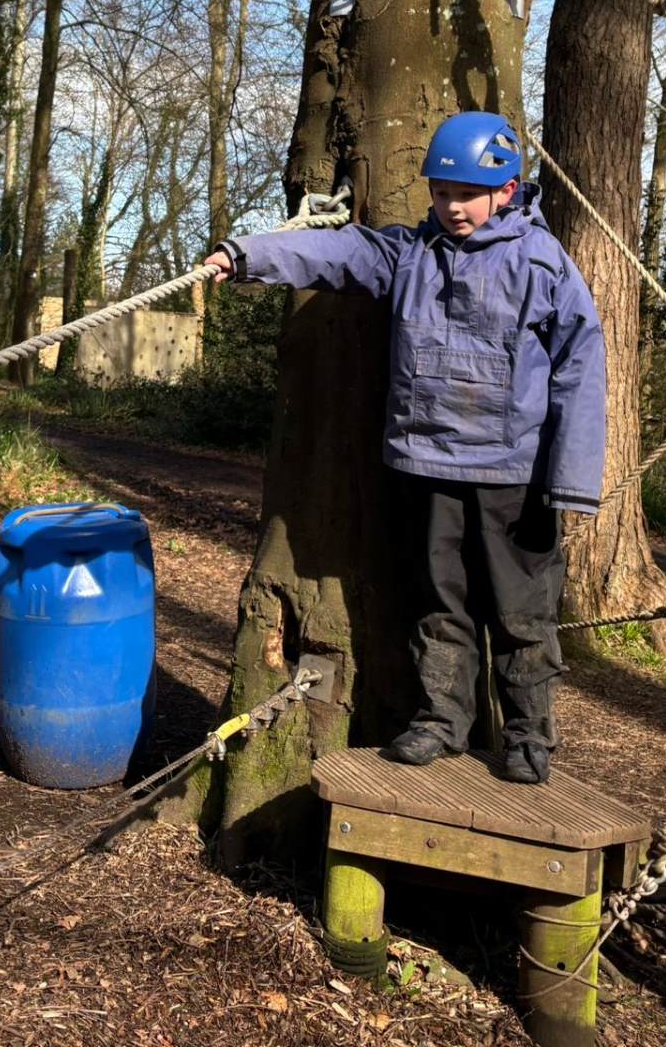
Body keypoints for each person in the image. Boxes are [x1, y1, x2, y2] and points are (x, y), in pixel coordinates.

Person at [205, 112, 606, 785]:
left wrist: (571, 481)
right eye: (441, 193)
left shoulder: (542, 265)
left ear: (507, 191)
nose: (452, 207)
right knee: (440, 603)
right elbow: (335, 252)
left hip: (514, 477)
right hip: (429, 468)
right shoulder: (411, 255)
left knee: (521, 612)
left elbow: (581, 371)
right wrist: (245, 255)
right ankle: (442, 721)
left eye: (467, 194)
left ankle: (530, 735)